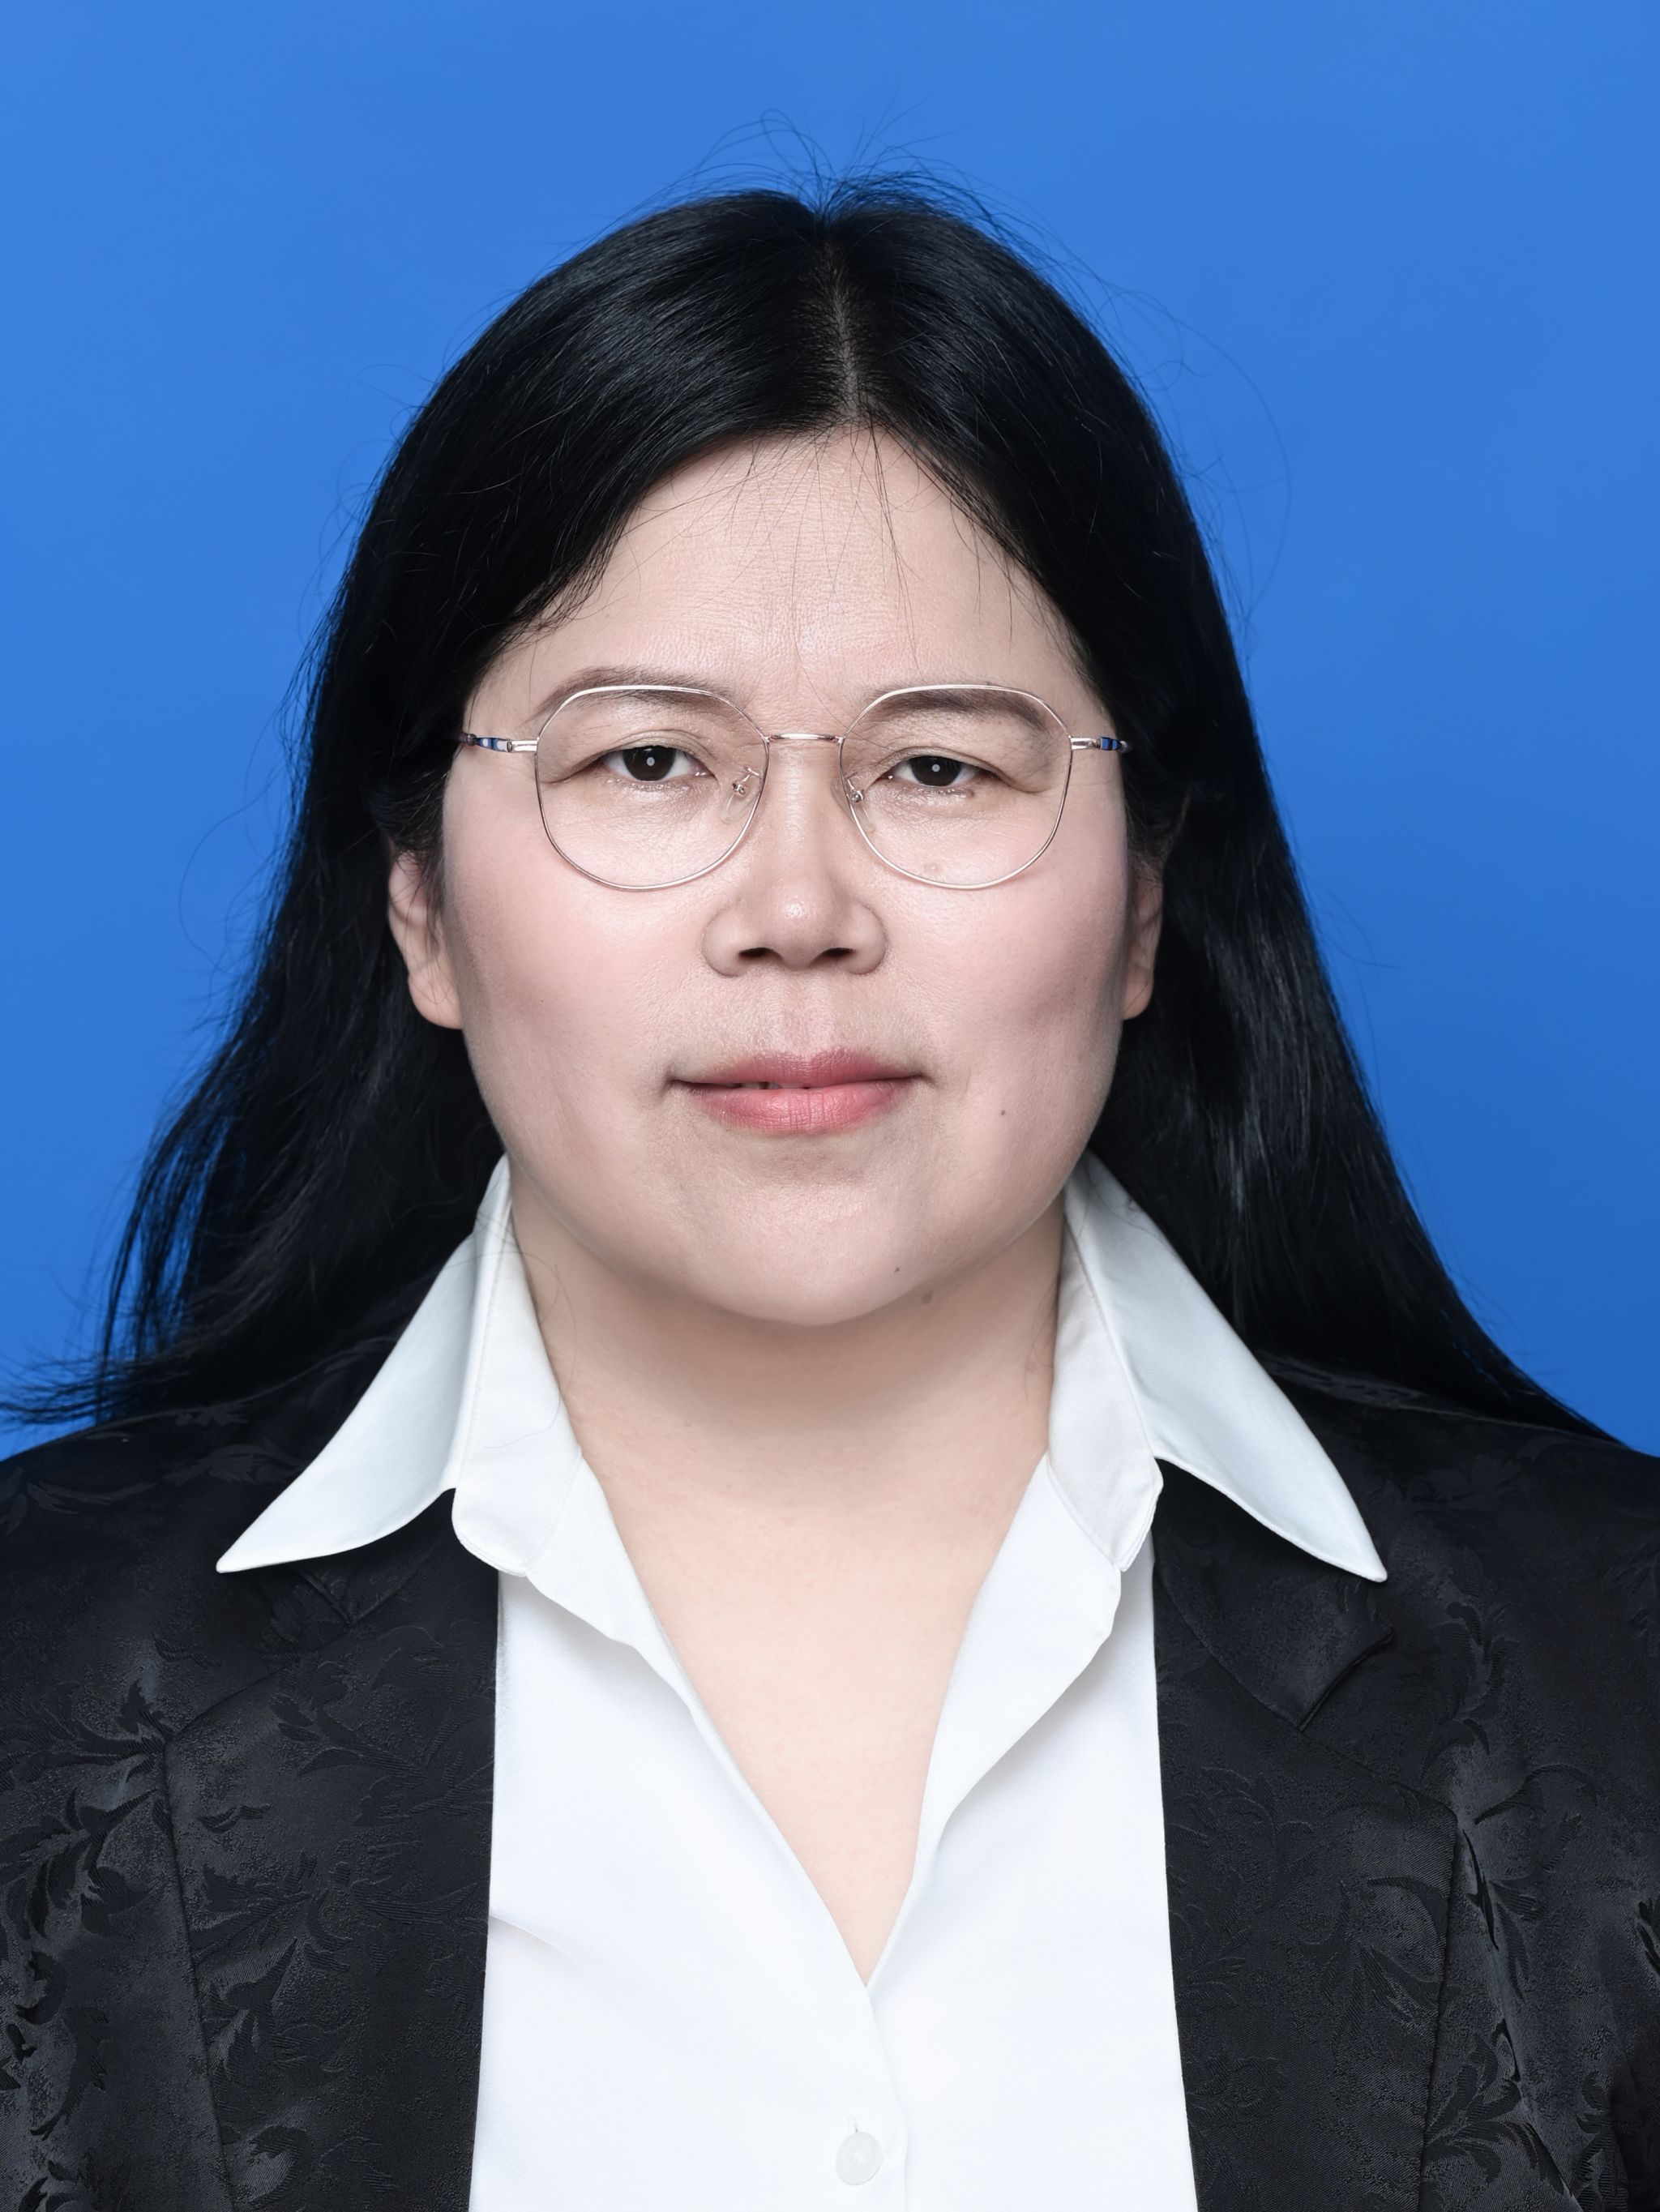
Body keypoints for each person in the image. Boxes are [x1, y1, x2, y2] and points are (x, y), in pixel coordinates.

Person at [2, 182, 1655, 2212]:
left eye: (939, 768)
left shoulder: (1615, 1685)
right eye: (645, 764)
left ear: (1145, 895)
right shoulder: (38, 1693)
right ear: (417, 901)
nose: (796, 908)